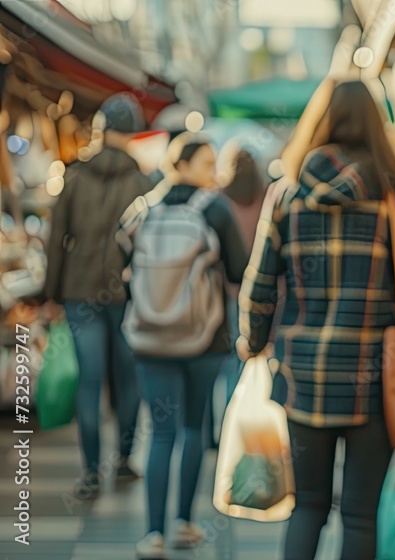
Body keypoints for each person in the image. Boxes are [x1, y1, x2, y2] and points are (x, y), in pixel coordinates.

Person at [239, 81, 395, 560]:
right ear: (378, 127)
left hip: (302, 378)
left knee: (308, 506)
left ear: (321, 122)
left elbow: (256, 291)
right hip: (375, 382)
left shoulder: (285, 196)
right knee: (360, 513)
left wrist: (251, 344)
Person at [122, 141, 249, 558]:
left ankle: (153, 533)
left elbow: (119, 265)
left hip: (149, 338)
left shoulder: (142, 209)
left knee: (160, 433)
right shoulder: (214, 209)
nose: (215, 170)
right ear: (182, 164)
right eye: (207, 162)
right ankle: (184, 524)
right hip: (203, 336)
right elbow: (237, 268)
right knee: (194, 427)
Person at [42, 92, 151, 499]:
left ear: (103, 130)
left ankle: (90, 471)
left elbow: (56, 241)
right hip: (127, 295)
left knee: (89, 381)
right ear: (134, 133)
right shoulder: (143, 183)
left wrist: (50, 293)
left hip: (79, 290)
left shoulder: (74, 178)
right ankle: (123, 459)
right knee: (127, 378)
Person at [218, 145, 266, 400]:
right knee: (248, 355)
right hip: (258, 288)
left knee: (227, 360)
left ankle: (225, 423)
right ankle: (238, 410)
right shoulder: (265, 197)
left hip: (225, 289)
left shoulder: (219, 199)